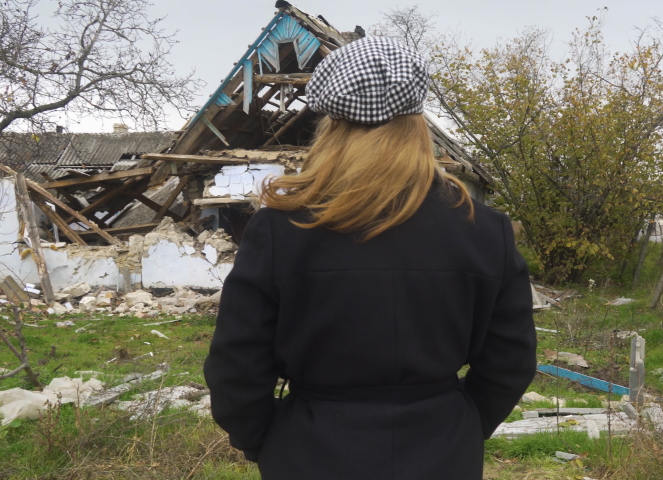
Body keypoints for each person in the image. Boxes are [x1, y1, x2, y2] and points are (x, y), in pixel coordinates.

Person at [204, 37, 537, 480]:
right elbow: (510, 362)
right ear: (417, 120)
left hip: (310, 453)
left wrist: (267, 441)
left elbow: (237, 367)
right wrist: (461, 425)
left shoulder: (280, 229)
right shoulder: (485, 229)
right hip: (443, 453)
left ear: (332, 124)